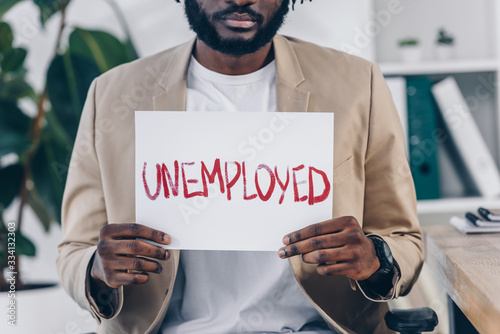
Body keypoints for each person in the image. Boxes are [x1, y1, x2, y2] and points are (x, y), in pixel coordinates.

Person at [57, 0, 423, 333]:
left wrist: (376, 258)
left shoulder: (358, 85)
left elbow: (404, 238)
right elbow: (75, 248)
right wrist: (96, 267)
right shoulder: (112, 95)